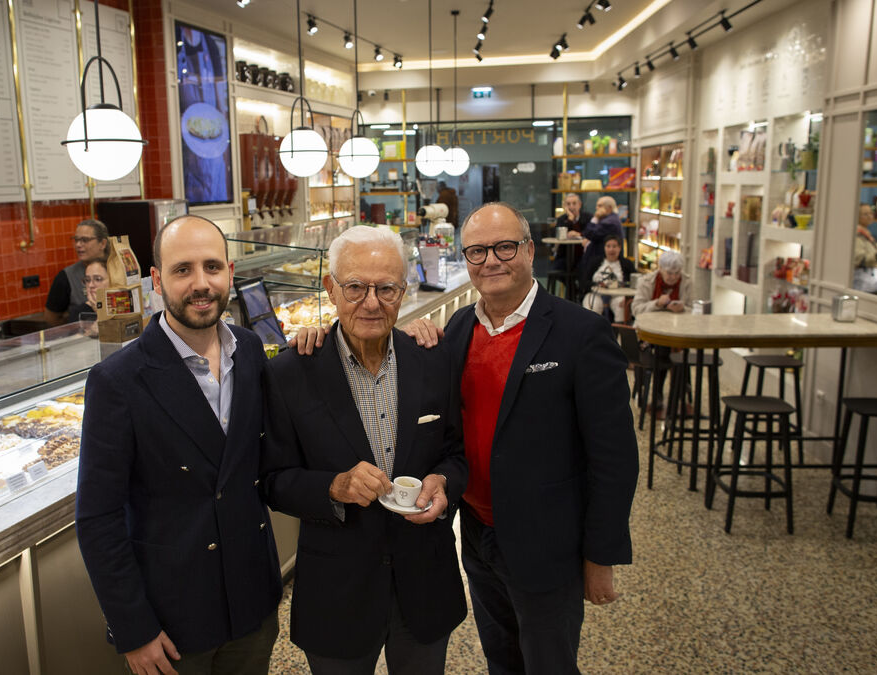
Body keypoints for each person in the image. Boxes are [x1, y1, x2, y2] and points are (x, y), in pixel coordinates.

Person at [403, 203, 638, 673]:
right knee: (501, 659)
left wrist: (601, 556)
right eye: (477, 251)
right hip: (477, 535)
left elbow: (614, 458)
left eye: (504, 247)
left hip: (547, 543)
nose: (490, 260)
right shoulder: (460, 327)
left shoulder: (581, 333)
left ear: (529, 251)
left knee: (549, 663)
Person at [77, 215, 282, 675]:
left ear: (230, 271)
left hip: (253, 600)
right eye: (182, 269)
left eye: (212, 267)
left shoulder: (250, 350)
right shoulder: (117, 380)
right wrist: (134, 629)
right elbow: (97, 519)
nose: (201, 283)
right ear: (156, 280)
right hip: (171, 621)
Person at [260, 225, 468, 674]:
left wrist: (443, 481)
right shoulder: (292, 373)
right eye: (355, 287)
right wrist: (333, 487)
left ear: (404, 290)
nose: (371, 303)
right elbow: (274, 481)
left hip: (425, 585)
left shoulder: (433, 357)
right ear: (330, 288)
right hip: (338, 593)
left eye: (386, 288)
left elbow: (456, 451)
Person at [632, 250, 692, 418]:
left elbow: (695, 309)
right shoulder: (647, 282)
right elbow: (636, 309)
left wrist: (683, 309)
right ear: (660, 269)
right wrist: (657, 304)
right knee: (664, 350)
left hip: (677, 332)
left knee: (675, 350)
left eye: (677, 273)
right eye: (669, 273)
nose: (673, 277)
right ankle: (669, 393)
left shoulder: (686, 282)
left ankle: (674, 394)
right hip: (648, 335)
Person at [45, 219, 110, 326]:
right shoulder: (65, 277)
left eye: (85, 240)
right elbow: (51, 318)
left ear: (102, 243)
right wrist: (77, 327)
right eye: (76, 240)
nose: (78, 245)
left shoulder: (120, 269)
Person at [582, 235, 637, 321]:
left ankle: (618, 328)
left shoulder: (627, 264)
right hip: (596, 294)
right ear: (604, 248)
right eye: (608, 246)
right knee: (592, 307)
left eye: (614, 246)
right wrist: (596, 284)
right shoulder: (595, 262)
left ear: (620, 248)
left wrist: (628, 297)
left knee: (621, 308)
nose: (611, 249)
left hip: (618, 295)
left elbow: (635, 282)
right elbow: (584, 282)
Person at [550, 193, 591, 280]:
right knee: (556, 270)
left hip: (583, 255)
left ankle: (576, 288)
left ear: (579, 205)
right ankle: (572, 288)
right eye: (568, 204)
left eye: (574, 203)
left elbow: (591, 232)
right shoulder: (561, 219)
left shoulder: (588, 217)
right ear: (565, 206)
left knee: (584, 271)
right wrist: (570, 220)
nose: (571, 207)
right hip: (564, 255)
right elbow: (556, 235)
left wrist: (579, 234)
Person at [852, 203, 877, 294]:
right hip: (864, 280)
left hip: (872, 280)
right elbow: (859, 258)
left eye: (871, 213)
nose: (870, 216)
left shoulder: (866, 233)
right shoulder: (857, 235)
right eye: (865, 214)